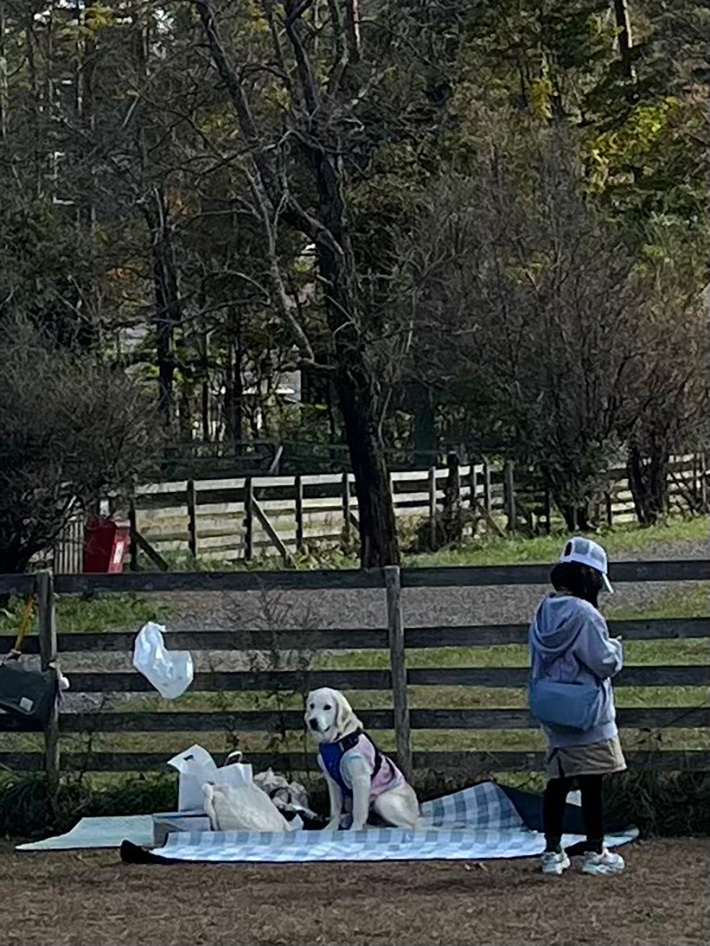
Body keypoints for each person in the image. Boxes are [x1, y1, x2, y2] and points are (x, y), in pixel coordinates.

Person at [529, 536, 626, 876]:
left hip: (553, 710)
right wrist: (616, 649)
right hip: (586, 712)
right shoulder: (586, 615)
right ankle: (596, 851)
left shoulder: (543, 611)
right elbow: (602, 662)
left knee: (557, 781)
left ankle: (552, 851)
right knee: (591, 783)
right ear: (591, 578)